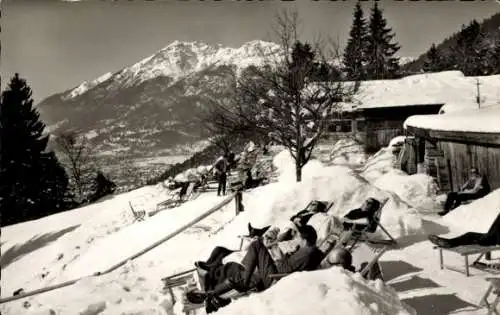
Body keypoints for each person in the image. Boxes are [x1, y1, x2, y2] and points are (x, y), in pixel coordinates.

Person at [187, 225, 324, 308]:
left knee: (256, 245)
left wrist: (278, 254)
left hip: (273, 278)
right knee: (249, 260)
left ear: (305, 240)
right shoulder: (308, 250)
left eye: (299, 236)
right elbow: (290, 265)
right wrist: (279, 253)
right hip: (274, 273)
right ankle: (216, 291)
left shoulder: (305, 253)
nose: (296, 238)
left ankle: (237, 283)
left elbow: (285, 269)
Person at [428, 212, 500, 248]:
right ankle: (449, 242)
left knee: (470, 237)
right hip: (492, 236)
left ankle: (449, 243)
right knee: (470, 234)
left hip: (494, 239)